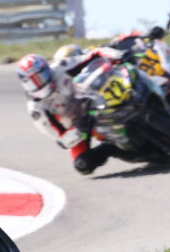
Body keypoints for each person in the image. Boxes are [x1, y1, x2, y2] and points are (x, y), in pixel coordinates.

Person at [17, 47, 127, 175]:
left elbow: (93, 55)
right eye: (31, 82)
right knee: (83, 165)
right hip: (79, 126)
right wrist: (78, 129)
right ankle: (110, 148)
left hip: (94, 99)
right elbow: (61, 139)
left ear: (47, 70)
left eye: (40, 77)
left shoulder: (60, 68)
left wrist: (116, 54)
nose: (38, 84)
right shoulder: (36, 109)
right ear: (24, 84)